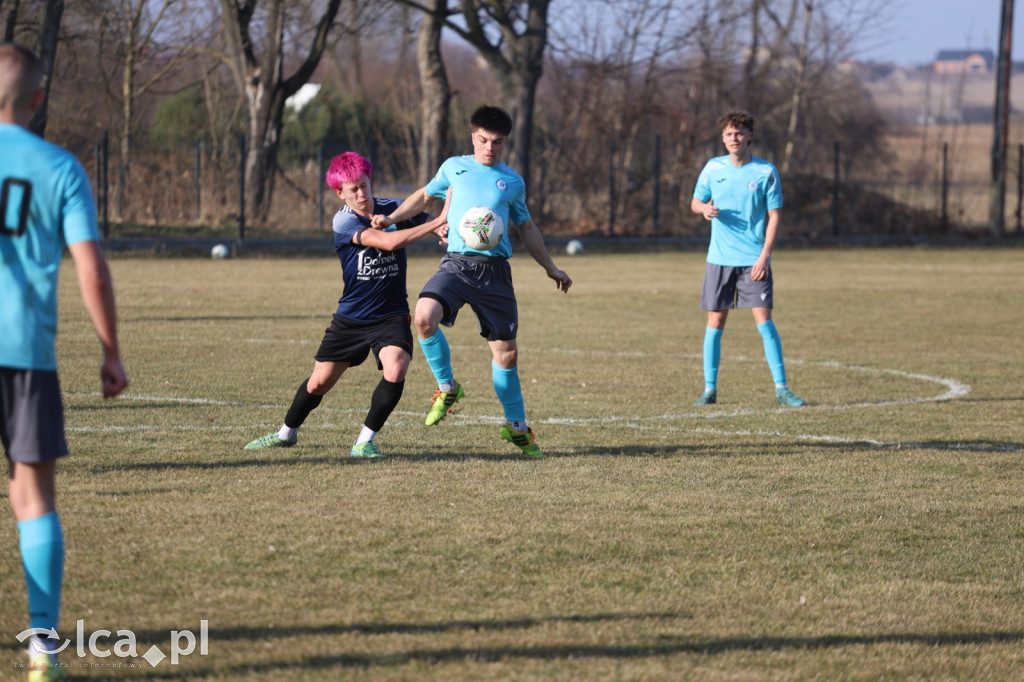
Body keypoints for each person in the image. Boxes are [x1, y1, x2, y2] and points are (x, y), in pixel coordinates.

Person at [0, 42, 130, 680]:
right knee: (34, 496)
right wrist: (110, 351)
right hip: (25, 354)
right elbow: (91, 269)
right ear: (39, 98)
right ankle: (43, 645)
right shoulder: (60, 167)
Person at [371, 105, 572, 459]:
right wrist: (390, 219)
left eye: (497, 142)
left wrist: (550, 267)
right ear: (472, 137)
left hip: (495, 272)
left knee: (506, 355)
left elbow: (526, 227)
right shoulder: (454, 167)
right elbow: (424, 195)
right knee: (424, 316)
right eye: (483, 140)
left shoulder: (512, 182)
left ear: (506, 142)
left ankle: (517, 429)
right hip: (457, 265)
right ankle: (447, 387)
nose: (489, 148)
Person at [244, 152, 450, 458]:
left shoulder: (393, 208)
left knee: (396, 367)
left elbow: (424, 218)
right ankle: (285, 434)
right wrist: (437, 221)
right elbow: (390, 242)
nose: (361, 193)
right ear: (339, 192)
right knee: (319, 383)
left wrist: (441, 227)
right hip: (352, 318)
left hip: (391, 314)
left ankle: (364, 442)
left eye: (364, 185)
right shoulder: (343, 220)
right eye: (353, 189)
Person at [690, 110, 804, 407]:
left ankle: (782, 390)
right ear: (723, 138)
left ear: (749, 136)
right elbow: (695, 201)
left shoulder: (765, 172)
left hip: (754, 260)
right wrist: (703, 209)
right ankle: (709, 390)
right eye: (729, 134)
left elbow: (775, 215)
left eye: (739, 133)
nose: (734, 138)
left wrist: (764, 256)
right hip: (719, 259)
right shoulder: (713, 168)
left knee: (764, 321)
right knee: (715, 321)